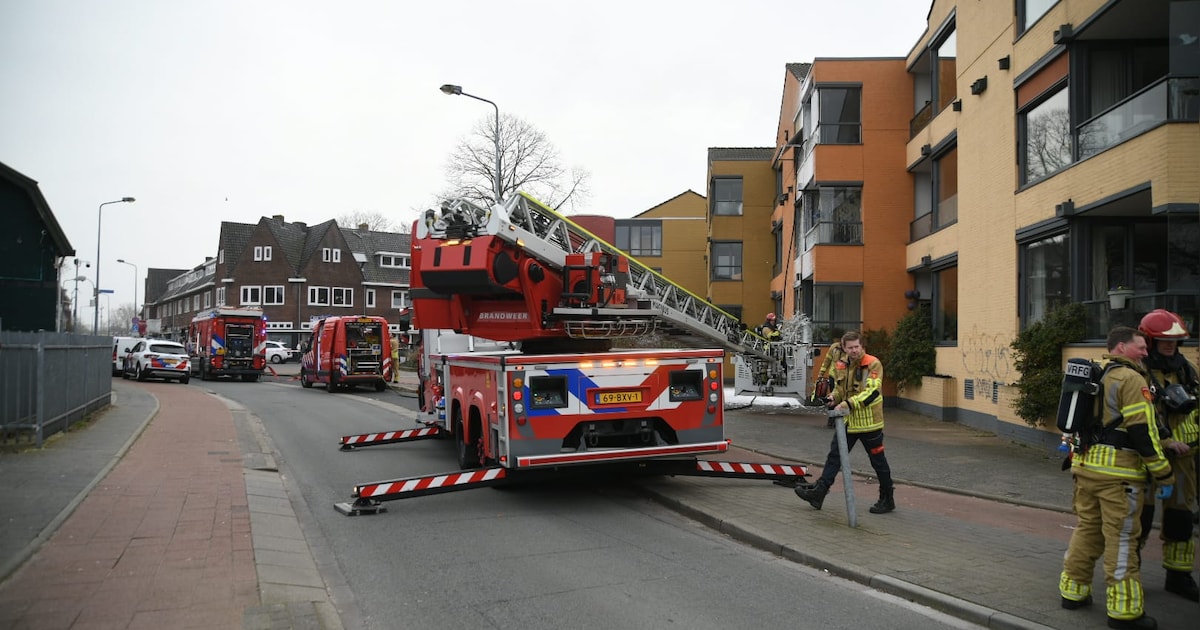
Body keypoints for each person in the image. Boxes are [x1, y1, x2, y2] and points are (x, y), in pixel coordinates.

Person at [1059, 327, 1174, 630]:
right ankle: (1125, 612)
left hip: (1085, 469)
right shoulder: (1132, 379)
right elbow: (1143, 431)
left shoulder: (1097, 376)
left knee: (1086, 531)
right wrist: (1163, 472)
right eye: (1141, 348)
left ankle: (1072, 592)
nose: (1146, 353)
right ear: (1121, 347)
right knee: (1121, 541)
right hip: (1119, 477)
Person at [794, 330, 895, 514]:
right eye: (851, 348)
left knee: (878, 462)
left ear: (862, 346)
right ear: (844, 349)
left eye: (857, 346)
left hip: (870, 424)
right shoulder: (841, 364)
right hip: (849, 422)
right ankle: (819, 493)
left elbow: (872, 392)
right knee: (835, 456)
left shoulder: (873, 364)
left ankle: (887, 498)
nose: (855, 350)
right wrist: (833, 397)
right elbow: (841, 388)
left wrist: (847, 403)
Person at [1136, 309, 1199, 602]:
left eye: (1174, 341)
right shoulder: (1139, 371)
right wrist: (1165, 441)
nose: (1169, 345)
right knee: (1141, 517)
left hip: (1184, 457)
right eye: (1163, 340)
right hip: (1148, 456)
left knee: (1181, 518)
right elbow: (1139, 415)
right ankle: (1129, 573)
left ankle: (1178, 575)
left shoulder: (1185, 370)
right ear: (1149, 340)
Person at [812, 328, 847, 426]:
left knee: (843, 399)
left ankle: (841, 420)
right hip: (833, 376)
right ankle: (831, 420)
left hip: (843, 378)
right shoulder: (834, 348)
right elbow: (827, 361)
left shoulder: (847, 350)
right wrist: (821, 374)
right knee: (832, 398)